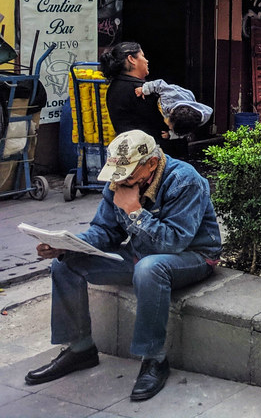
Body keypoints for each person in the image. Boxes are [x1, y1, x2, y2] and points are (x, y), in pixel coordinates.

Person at [26, 130, 221, 401]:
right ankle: (80, 349)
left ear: (151, 163)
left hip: (194, 255)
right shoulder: (119, 180)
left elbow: (174, 242)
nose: (120, 180)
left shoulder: (184, 180)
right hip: (142, 253)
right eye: (116, 174)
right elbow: (104, 231)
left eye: (128, 174)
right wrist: (67, 245)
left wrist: (134, 211)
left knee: (149, 268)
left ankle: (154, 359)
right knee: (65, 264)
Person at [100, 42, 166, 141]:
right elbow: (160, 124)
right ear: (131, 59)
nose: (146, 61)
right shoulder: (140, 91)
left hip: (128, 145)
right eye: (143, 56)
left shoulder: (113, 87)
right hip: (149, 147)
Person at [134, 79, 212, 139]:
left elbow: (184, 133)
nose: (169, 127)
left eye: (171, 128)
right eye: (170, 124)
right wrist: (144, 89)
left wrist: (171, 134)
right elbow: (159, 84)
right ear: (171, 112)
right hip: (173, 97)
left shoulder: (192, 123)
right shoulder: (169, 96)